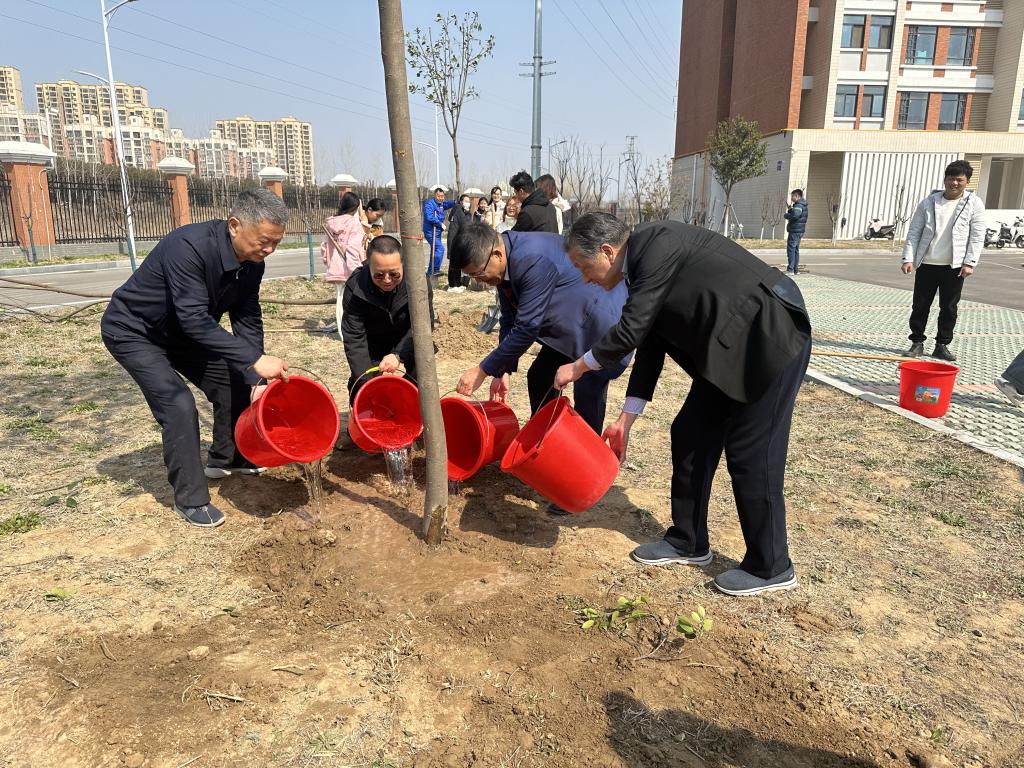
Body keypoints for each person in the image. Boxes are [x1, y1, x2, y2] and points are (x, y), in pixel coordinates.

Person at [554, 213, 812, 597]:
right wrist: (625, 420)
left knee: (752, 452)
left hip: (768, 336)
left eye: (583, 266)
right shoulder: (643, 267)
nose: (585, 278)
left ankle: (771, 565)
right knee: (691, 432)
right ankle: (688, 540)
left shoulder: (656, 245)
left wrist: (579, 366)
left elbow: (631, 330)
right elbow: (649, 343)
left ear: (607, 251)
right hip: (730, 348)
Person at [100, 189, 291, 529]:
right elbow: (193, 318)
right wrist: (252, 358)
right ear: (235, 225)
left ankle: (228, 457)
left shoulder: (253, 264)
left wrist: (254, 372)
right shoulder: (188, 247)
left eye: (275, 243)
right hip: (135, 331)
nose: (269, 250)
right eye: (264, 241)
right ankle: (190, 499)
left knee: (235, 380)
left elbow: (247, 317)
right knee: (177, 403)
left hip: (184, 334)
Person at [451, 221, 629, 514]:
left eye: (479, 273)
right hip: (567, 325)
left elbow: (527, 327)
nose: (480, 281)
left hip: (597, 322)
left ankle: (581, 480)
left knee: (588, 390)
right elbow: (510, 319)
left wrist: (482, 370)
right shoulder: (505, 265)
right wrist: (502, 371)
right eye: (472, 277)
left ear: (496, 253)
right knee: (540, 376)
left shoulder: (531, 259)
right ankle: (548, 452)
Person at [901, 160, 986, 362]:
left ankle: (942, 344)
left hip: (954, 266)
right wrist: (908, 258)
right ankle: (917, 342)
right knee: (920, 305)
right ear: (945, 180)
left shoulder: (974, 203)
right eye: (951, 179)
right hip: (927, 263)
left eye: (960, 180)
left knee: (949, 308)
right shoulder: (929, 202)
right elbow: (914, 232)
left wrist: (970, 262)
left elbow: (977, 235)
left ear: (967, 182)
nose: (954, 183)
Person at [341, 235, 431, 402]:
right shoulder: (355, 288)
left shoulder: (418, 281)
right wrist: (366, 384)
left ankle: (409, 409)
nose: (387, 280)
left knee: (422, 376)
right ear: (369, 266)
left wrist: (398, 354)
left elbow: (424, 324)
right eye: (379, 275)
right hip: (372, 343)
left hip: (409, 339)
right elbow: (354, 336)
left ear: (403, 264)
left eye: (394, 274)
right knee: (361, 384)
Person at [322, 191, 368, 336]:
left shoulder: (331, 223)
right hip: (350, 269)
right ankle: (349, 334)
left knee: (340, 302)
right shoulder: (354, 224)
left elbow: (324, 247)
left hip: (335, 268)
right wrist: (356, 271)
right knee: (352, 302)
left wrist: (329, 262)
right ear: (355, 207)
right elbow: (353, 249)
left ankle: (342, 333)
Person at [422, 185, 455, 277]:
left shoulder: (441, 203)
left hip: (437, 231)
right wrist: (440, 223)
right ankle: (436, 269)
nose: (441, 198)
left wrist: (455, 202)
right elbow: (429, 217)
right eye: (439, 196)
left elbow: (446, 204)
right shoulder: (429, 204)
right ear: (434, 195)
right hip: (430, 231)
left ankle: (430, 272)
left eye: (442, 196)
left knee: (434, 251)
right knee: (440, 249)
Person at [446, 194, 472, 293]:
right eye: (466, 201)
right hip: (455, 240)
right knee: (454, 263)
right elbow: (454, 228)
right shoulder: (457, 210)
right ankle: (452, 284)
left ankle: (458, 283)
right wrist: (452, 244)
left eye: (469, 201)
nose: (467, 203)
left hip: (462, 241)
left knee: (459, 263)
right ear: (461, 202)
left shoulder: (467, 213)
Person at [783, 189, 807, 276]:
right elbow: (796, 214)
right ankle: (795, 270)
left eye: (792, 196)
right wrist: (790, 210)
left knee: (791, 250)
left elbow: (795, 215)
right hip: (799, 230)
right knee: (795, 250)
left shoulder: (799, 205)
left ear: (797, 196)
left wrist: (786, 215)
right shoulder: (802, 205)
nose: (791, 198)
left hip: (795, 230)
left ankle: (790, 270)